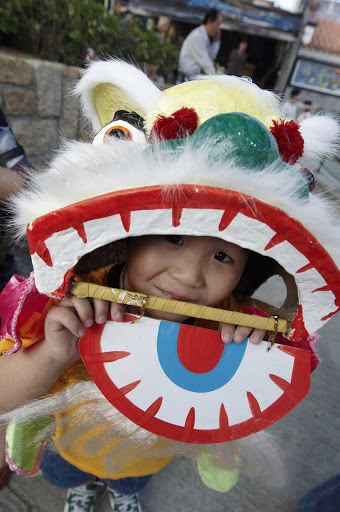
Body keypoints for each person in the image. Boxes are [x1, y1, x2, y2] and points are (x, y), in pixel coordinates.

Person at [0, 60, 339, 512]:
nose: (187, 276)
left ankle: (122, 494)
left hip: (146, 458)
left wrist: (250, 359)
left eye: (223, 256)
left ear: (248, 270)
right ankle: (81, 491)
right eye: (174, 237)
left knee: (129, 482)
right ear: (132, 236)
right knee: (71, 475)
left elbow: (256, 400)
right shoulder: (69, 301)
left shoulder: (237, 325)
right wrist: (52, 352)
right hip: (71, 448)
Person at [178, 8, 221, 81]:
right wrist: (216, 80)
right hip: (187, 77)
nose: (218, 28)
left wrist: (216, 41)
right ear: (210, 21)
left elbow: (211, 58)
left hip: (193, 76)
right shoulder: (198, 36)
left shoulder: (205, 37)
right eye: (218, 23)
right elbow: (206, 62)